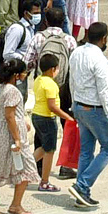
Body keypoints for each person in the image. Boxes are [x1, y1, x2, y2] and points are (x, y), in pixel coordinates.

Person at [67, 22, 108, 208]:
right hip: (94, 109)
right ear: (104, 38)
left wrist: (73, 106)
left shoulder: (76, 53)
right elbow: (104, 91)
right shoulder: (99, 59)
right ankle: (82, 185)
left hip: (79, 106)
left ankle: (82, 194)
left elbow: (71, 80)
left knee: (86, 151)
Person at [0, 59, 38, 214]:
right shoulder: (13, 91)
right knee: (27, 167)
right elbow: (9, 115)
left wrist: (22, 121)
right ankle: (16, 205)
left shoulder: (0, 87)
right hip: (8, 134)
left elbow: (11, 113)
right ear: (17, 75)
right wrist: (18, 139)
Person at [31, 52, 74, 193]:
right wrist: (67, 117)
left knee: (44, 147)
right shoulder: (51, 85)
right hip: (47, 118)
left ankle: (24, 167)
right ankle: (44, 181)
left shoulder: (38, 80)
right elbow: (52, 106)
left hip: (37, 115)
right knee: (49, 150)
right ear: (52, 69)